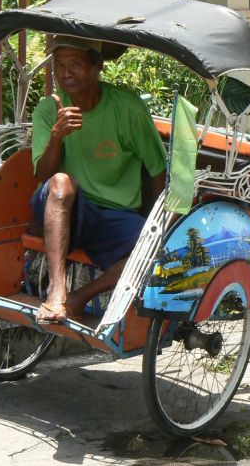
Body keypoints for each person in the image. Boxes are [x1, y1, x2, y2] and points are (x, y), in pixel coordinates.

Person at [30, 35, 167, 324]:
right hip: (65, 209)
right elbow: (42, 175)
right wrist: (57, 137)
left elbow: (157, 170)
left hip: (114, 213)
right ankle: (57, 290)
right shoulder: (48, 109)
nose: (65, 73)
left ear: (97, 68)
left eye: (75, 64)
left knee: (152, 253)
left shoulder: (126, 108)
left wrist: (157, 225)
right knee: (60, 182)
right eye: (59, 65)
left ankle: (79, 298)